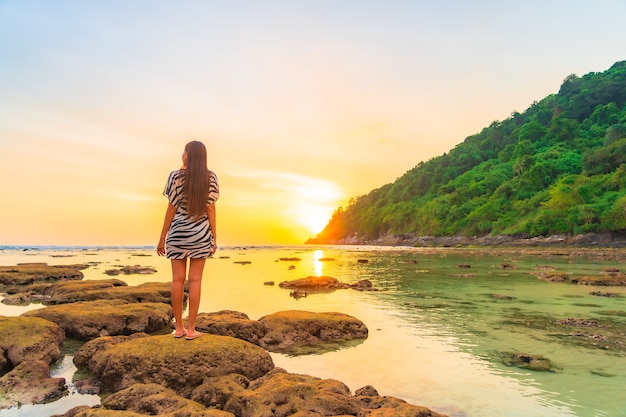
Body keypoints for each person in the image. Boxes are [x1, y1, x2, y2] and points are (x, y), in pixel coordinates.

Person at [157, 141, 219, 340]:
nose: (181, 154)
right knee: (196, 280)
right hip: (200, 234)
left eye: (183, 150)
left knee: (177, 280)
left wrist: (162, 237)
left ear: (187, 155)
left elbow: (171, 208)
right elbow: (211, 208)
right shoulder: (210, 177)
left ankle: (178, 328)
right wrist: (214, 237)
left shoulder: (174, 176)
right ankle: (191, 330)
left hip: (177, 233)